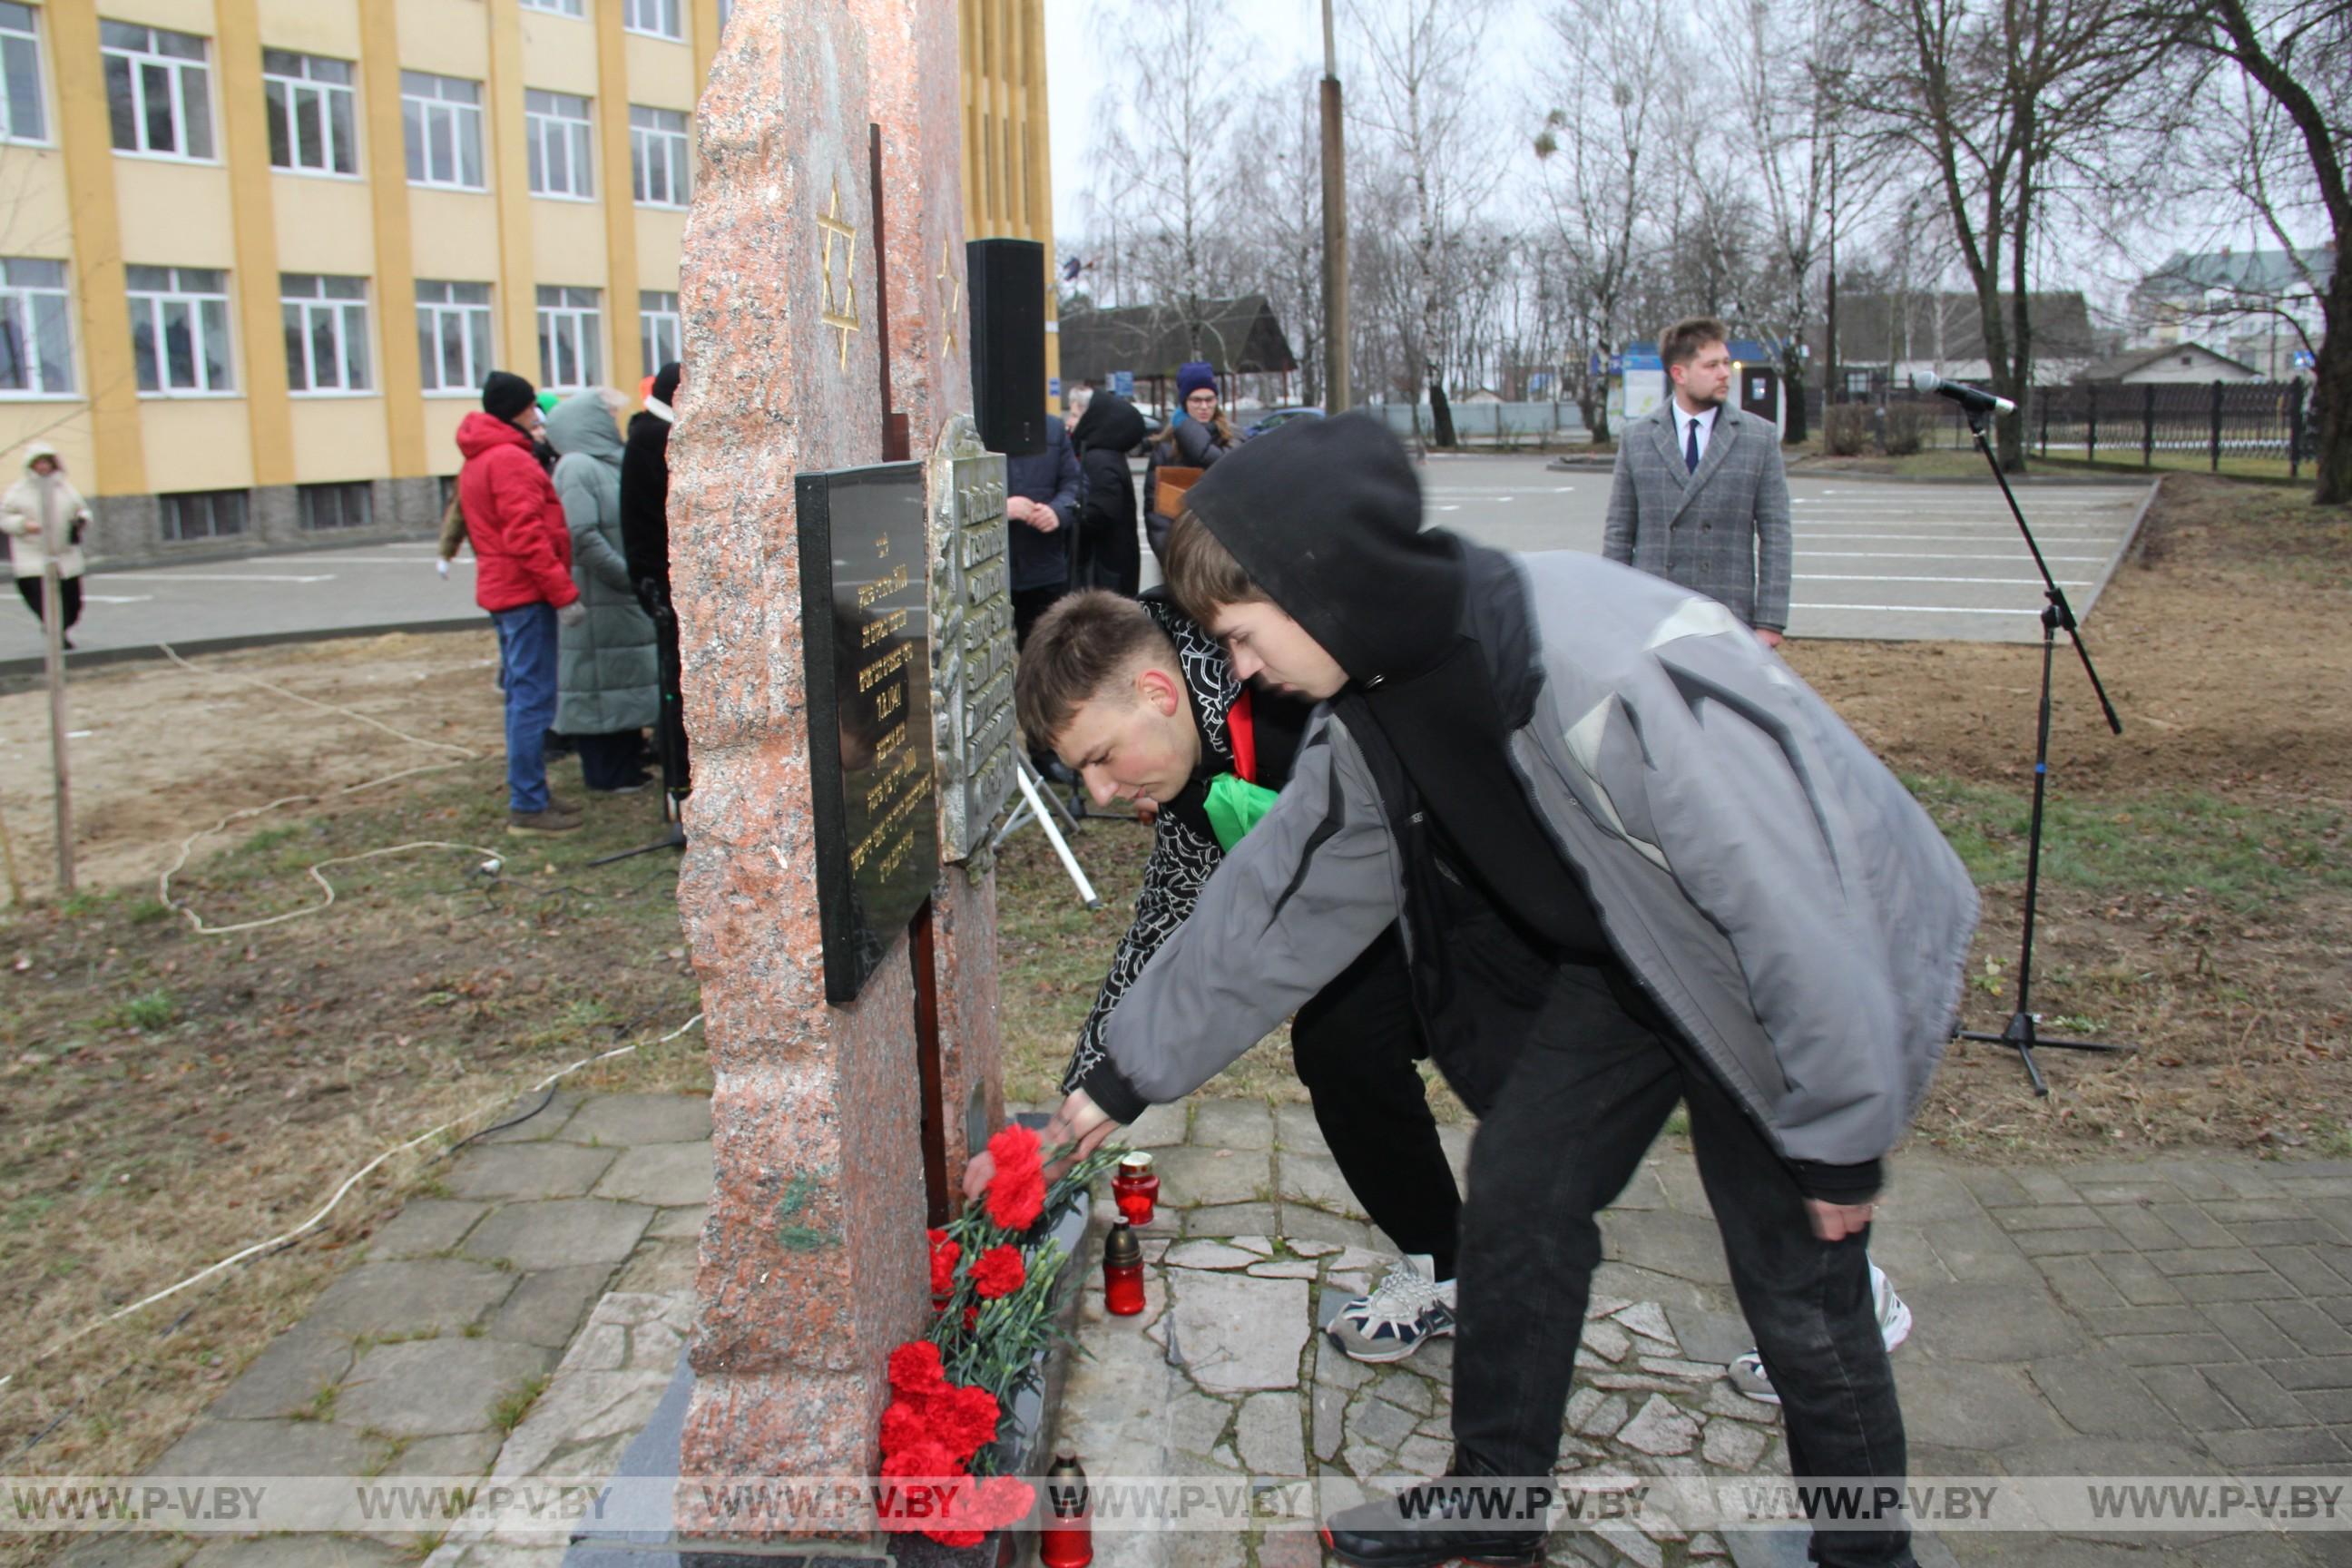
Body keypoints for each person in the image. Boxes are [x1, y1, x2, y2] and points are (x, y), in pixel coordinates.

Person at [993, 414, 1977, 1568]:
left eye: (1247, 637)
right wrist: (1105, 1092)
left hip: (1766, 977)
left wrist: (1840, 1138)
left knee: (1799, 1282)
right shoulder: (1375, 706)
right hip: (1626, 962)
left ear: (1326, 581)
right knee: (1518, 1193)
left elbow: (1795, 902)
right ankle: (1495, 1504)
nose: (1244, 669)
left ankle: (1870, 1557)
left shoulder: (1599, 662)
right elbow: (1276, 906)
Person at [1013, 589, 1464, 1360]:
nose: (1099, 795)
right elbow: (1168, 927)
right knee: (1342, 1043)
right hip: (1361, 902)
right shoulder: (1181, 764)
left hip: (1458, 870)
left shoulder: (1278, 673)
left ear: (1157, 693)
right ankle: (1447, 1269)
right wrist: (1077, 1108)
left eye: (1099, 759)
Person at [1602, 317, 1792, 648]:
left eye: (1725, 363)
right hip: (1652, 616)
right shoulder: (1638, 438)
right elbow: (1619, 532)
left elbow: (1777, 534)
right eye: (1711, 366)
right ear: (1679, 373)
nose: (1724, 374)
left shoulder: (1758, 437)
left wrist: (1770, 621)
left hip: (1728, 616)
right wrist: (1613, 613)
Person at [458, 371, 585, 836]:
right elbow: (527, 536)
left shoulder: (482, 456)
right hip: (524, 592)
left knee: (522, 696)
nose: (537, 413)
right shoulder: (508, 460)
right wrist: (563, 593)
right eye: (532, 405)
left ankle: (532, 794)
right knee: (532, 700)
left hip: (507, 589)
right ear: (517, 408)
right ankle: (529, 804)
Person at [546, 388, 659, 795]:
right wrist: (626, 576)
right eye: (605, 417)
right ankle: (607, 772)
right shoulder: (577, 467)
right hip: (599, 599)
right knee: (596, 686)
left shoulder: (605, 464)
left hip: (616, 598)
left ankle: (627, 763)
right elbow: (582, 535)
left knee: (621, 683)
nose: (612, 425)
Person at [1142, 360, 1240, 564]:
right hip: (1184, 556)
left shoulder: (1233, 439)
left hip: (1229, 556)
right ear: (1185, 402)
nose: (1204, 407)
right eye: (1196, 400)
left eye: (1209, 399)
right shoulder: (1167, 450)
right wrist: (1173, 560)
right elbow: (1158, 516)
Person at [2, 443, 93, 648]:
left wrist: (81, 520)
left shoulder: (64, 488)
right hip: (33, 554)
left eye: (47, 463)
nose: (43, 467)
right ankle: (56, 635)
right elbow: (4, 517)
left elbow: (82, 510)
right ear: (31, 466)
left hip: (65, 554)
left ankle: (60, 629)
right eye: (38, 463)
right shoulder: (19, 491)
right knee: (43, 602)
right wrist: (23, 525)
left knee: (73, 604)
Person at [1005, 410, 1082, 648]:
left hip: (1043, 567)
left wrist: (1057, 512)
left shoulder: (1052, 428)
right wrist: (1000, 508)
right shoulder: (979, 423)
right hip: (992, 569)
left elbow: (1075, 484)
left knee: (1045, 655)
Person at [1069, 389, 1146, 597]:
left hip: (1102, 569)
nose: (1070, 422)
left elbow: (1101, 513)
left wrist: (1070, 516)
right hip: (1113, 565)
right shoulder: (1107, 456)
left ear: (1093, 420)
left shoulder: (1099, 460)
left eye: (1076, 416)